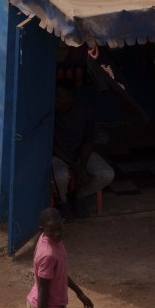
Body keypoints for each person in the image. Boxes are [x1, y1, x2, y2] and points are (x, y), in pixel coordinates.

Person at [48, 85, 114, 213]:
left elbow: (88, 141)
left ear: (71, 98)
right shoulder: (50, 112)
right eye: (55, 96)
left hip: (79, 154)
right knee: (60, 176)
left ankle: (78, 196)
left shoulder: (84, 112)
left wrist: (82, 166)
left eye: (60, 96)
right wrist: (75, 166)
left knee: (107, 174)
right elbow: (53, 147)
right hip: (59, 156)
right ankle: (63, 202)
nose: (56, 99)